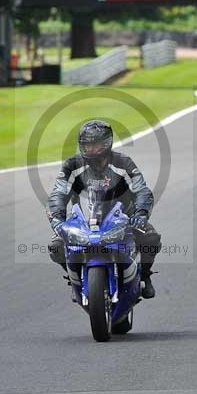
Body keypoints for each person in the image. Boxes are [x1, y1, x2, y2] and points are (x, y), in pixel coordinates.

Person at [46, 120, 161, 299]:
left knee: (151, 238)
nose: (91, 149)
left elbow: (142, 190)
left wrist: (141, 213)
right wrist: (56, 217)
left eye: (96, 144)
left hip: (123, 218)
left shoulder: (123, 163)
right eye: (87, 145)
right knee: (56, 247)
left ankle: (145, 276)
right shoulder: (72, 166)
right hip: (83, 219)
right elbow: (58, 193)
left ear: (107, 143)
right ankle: (73, 278)